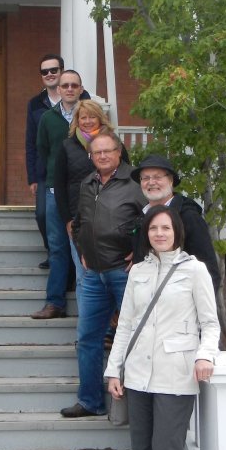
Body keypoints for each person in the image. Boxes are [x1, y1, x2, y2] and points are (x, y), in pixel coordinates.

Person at [105, 204, 219, 450]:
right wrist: (114, 370)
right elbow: (125, 327)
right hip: (137, 376)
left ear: (177, 232)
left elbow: (210, 323)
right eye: (153, 228)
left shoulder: (194, 270)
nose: (159, 234)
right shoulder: (138, 271)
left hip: (175, 377)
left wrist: (205, 356)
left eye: (165, 228)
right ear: (146, 234)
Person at [61, 129, 146, 416]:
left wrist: (142, 250)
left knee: (136, 338)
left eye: (108, 150)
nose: (103, 156)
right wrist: (82, 250)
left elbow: (157, 219)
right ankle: (90, 401)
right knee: (87, 338)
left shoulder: (136, 182)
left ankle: (139, 405)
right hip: (93, 274)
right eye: (97, 152)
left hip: (125, 274)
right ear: (91, 156)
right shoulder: (88, 182)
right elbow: (80, 222)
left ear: (119, 151)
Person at [30, 69, 90, 319]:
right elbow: (42, 150)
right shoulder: (48, 118)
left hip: (87, 191)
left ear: (80, 88)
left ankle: (90, 306)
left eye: (73, 85)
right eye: (64, 85)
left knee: (88, 246)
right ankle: (55, 302)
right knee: (58, 247)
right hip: (56, 189)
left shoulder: (89, 116)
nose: (68, 89)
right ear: (58, 88)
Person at [131, 154, 221, 292]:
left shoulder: (189, 217)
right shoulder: (141, 218)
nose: (151, 182)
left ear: (171, 180)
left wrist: (197, 310)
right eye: (145, 178)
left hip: (181, 307)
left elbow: (210, 272)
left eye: (157, 177)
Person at [52, 99, 111, 299]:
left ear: (100, 119)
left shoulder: (113, 145)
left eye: (91, 116)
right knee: (83, 273)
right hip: (79, 221)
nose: (87, 121)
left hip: (111, 220)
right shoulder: (67, 146)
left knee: (109, 274)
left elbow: (126, 179)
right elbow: (59, 185)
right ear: (76, 120)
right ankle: (86, 324)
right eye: (82, 117)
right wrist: (67, 219)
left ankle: (110, 324)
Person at [25, 53, 64, 269]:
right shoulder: (35, 103)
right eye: (44, 72)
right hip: (43, 173)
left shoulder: (79, 98)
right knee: (42, 215)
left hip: (73, 172)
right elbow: (30, 142)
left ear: (61, 71)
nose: (49, 74)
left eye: (53, 70)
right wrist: (31, 176)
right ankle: (53, 252)